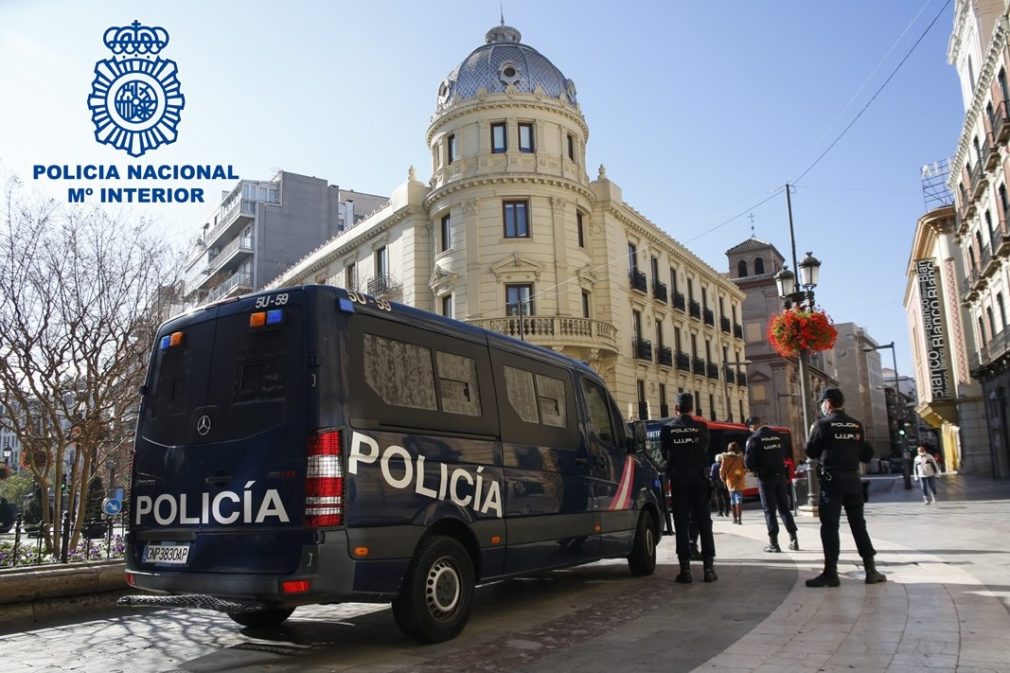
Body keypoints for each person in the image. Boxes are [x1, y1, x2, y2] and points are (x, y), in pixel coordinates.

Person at [805, 387, 887, 587]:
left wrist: (813, 434)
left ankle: (831, 572)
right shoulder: (856, 425)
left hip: (832, 481)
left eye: (823, 403)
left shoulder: (822, 425)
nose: (822, 407)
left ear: (828, 403)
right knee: (859, 524)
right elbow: (866, 454)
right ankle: (871, 569)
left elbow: (811, 452)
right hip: (853, 480)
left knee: (830, 526)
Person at [661, 392, 717, 583]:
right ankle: (709, 570)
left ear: (676, 408)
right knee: (704, 522)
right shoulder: (701, 427)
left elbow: (664, 456)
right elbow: (705, 449)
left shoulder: (668, 429)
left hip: (679, 479)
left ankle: (685, 570)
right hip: (699, 478)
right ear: (691, 408)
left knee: (682, 524)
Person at [745, 417, 799, 552]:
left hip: (765, 478)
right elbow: (784, 454)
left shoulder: (754, 439)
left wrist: (756, 468)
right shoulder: (777, 435)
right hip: (780, 476)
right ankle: (794, 539)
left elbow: (748, 462)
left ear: (752, 426)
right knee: (784, 509)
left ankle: (774, 543)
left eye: (750, 428)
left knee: (769, 510)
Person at [719, 441, 747, 525]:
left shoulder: (725, 457)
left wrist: (722, 478)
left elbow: (722, 470)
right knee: (739, 498)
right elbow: (744, 467)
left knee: (732, 498)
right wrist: (741, 473)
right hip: (739, 478)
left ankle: (734, 519)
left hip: (730, 479)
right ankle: (739, 519)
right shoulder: (740, 457)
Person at [710, 453, 729, 518]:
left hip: (717, 484)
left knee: (719, 498)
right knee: (726, 498)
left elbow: (712, 476)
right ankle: (727, 512)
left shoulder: (714, 465)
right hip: (725, 483)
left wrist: (712, 482)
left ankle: (720, 512)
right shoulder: (725, 465)